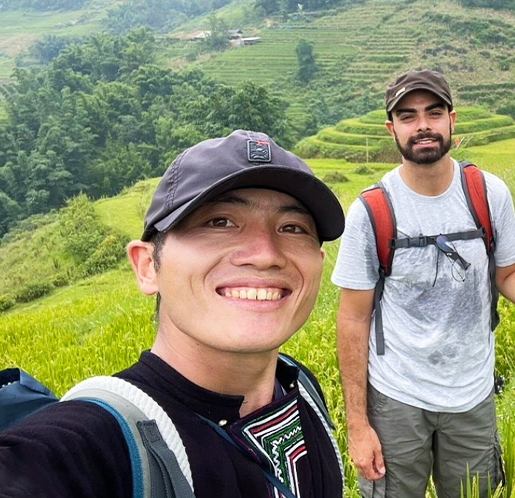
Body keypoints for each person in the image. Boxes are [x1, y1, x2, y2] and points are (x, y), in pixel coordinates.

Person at [0, 130, 347, 497]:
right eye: (220, 222)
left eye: (292, 228)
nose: (265, 254)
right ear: (148, 265)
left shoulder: (299, 385)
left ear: (318, 265)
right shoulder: (96, 443)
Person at [332, 69, 515, 498]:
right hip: (397, 397)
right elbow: (352, 319)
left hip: (471, 394)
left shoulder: (487, 193)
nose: (422, 125)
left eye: (433, 113)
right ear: (391, 128)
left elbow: (511, 274)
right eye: (408, 116)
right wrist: (358, 424)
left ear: (452, 120)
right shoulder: (371, 211)